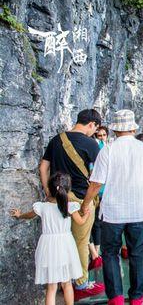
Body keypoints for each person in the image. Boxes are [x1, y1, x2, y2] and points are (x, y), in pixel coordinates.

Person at [81, 110, 143, 305]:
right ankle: (137, 297)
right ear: (133, 128)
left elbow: (96, 183)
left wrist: (85, 204)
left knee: (110, 254)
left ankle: (116, 298)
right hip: (137, 212)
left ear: (115, 130)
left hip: (112, 213)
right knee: (136, 254)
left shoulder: (107, 150)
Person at [39, 109, 105, 300]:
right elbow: (98, 176)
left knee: (60, 240)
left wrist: (49, 192)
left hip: (57, 198)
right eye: (95, 128)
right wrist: (87, 203)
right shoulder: (91, 144)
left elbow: (43, 167)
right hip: (79, 199)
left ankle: (62, 281)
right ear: (92, 124)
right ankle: (81, 283)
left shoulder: (56, 139)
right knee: (80, 242)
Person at [10, 172, 90, 305]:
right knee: (67, 283)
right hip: (65, 246)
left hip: (48, 247)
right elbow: (81, 222)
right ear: (68, 190)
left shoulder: (42, 207)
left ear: (49, 189)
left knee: (52, 287)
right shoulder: (69, 206)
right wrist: (86, 214)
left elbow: (29, 215)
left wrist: (19, 215)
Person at [88, 125, 109, 270]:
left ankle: (97, 250)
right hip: (96, 191)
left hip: (106, 191)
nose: (101, 138)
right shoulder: (94, 150)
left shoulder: (109, 149)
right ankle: (95, 251)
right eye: (99, 135)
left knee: (100, 221)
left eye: (103, 135)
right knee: (94, 221)